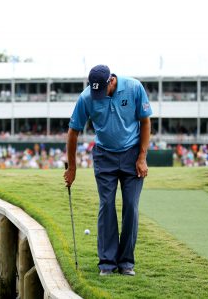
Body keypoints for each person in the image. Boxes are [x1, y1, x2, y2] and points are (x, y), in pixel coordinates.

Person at [64, 65, 152, 276]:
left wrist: (142, 157)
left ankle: (126, 262)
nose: (99, 96)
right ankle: (107, 263)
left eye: (102, 91)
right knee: (107, 205)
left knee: (131, 206)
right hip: (104, 156)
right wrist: (72, 168)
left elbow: (145, 121)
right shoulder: (87, 97)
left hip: (132, 155)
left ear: (112, 80)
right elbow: (73, 132)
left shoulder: (134, 87)